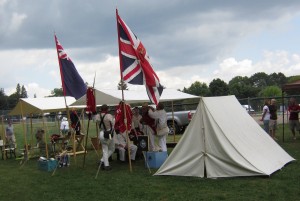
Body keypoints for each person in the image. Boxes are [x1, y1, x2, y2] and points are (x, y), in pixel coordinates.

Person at [98, 104, 115, 171]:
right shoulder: (109, 116)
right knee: (111, 148)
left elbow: (95, 121)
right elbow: (113, 124)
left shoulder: (98, 116)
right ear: (107, 109)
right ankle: (106, 165)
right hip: (109, 133)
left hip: (101, 133)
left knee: (105, 149)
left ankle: (102, 161)